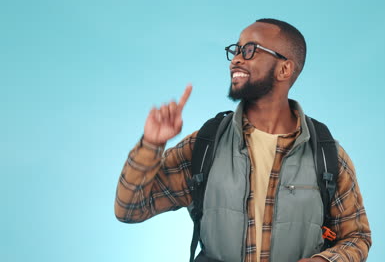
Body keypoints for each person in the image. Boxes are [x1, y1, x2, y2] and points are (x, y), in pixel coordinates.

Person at [115, 18, 371, 262]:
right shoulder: (205, 147)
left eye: (250, 50)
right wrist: (151, 145)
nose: (235, 60)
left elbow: (356, 237)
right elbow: (130, 208)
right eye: (235, 50)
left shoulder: (327, 156)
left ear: (284, 69)